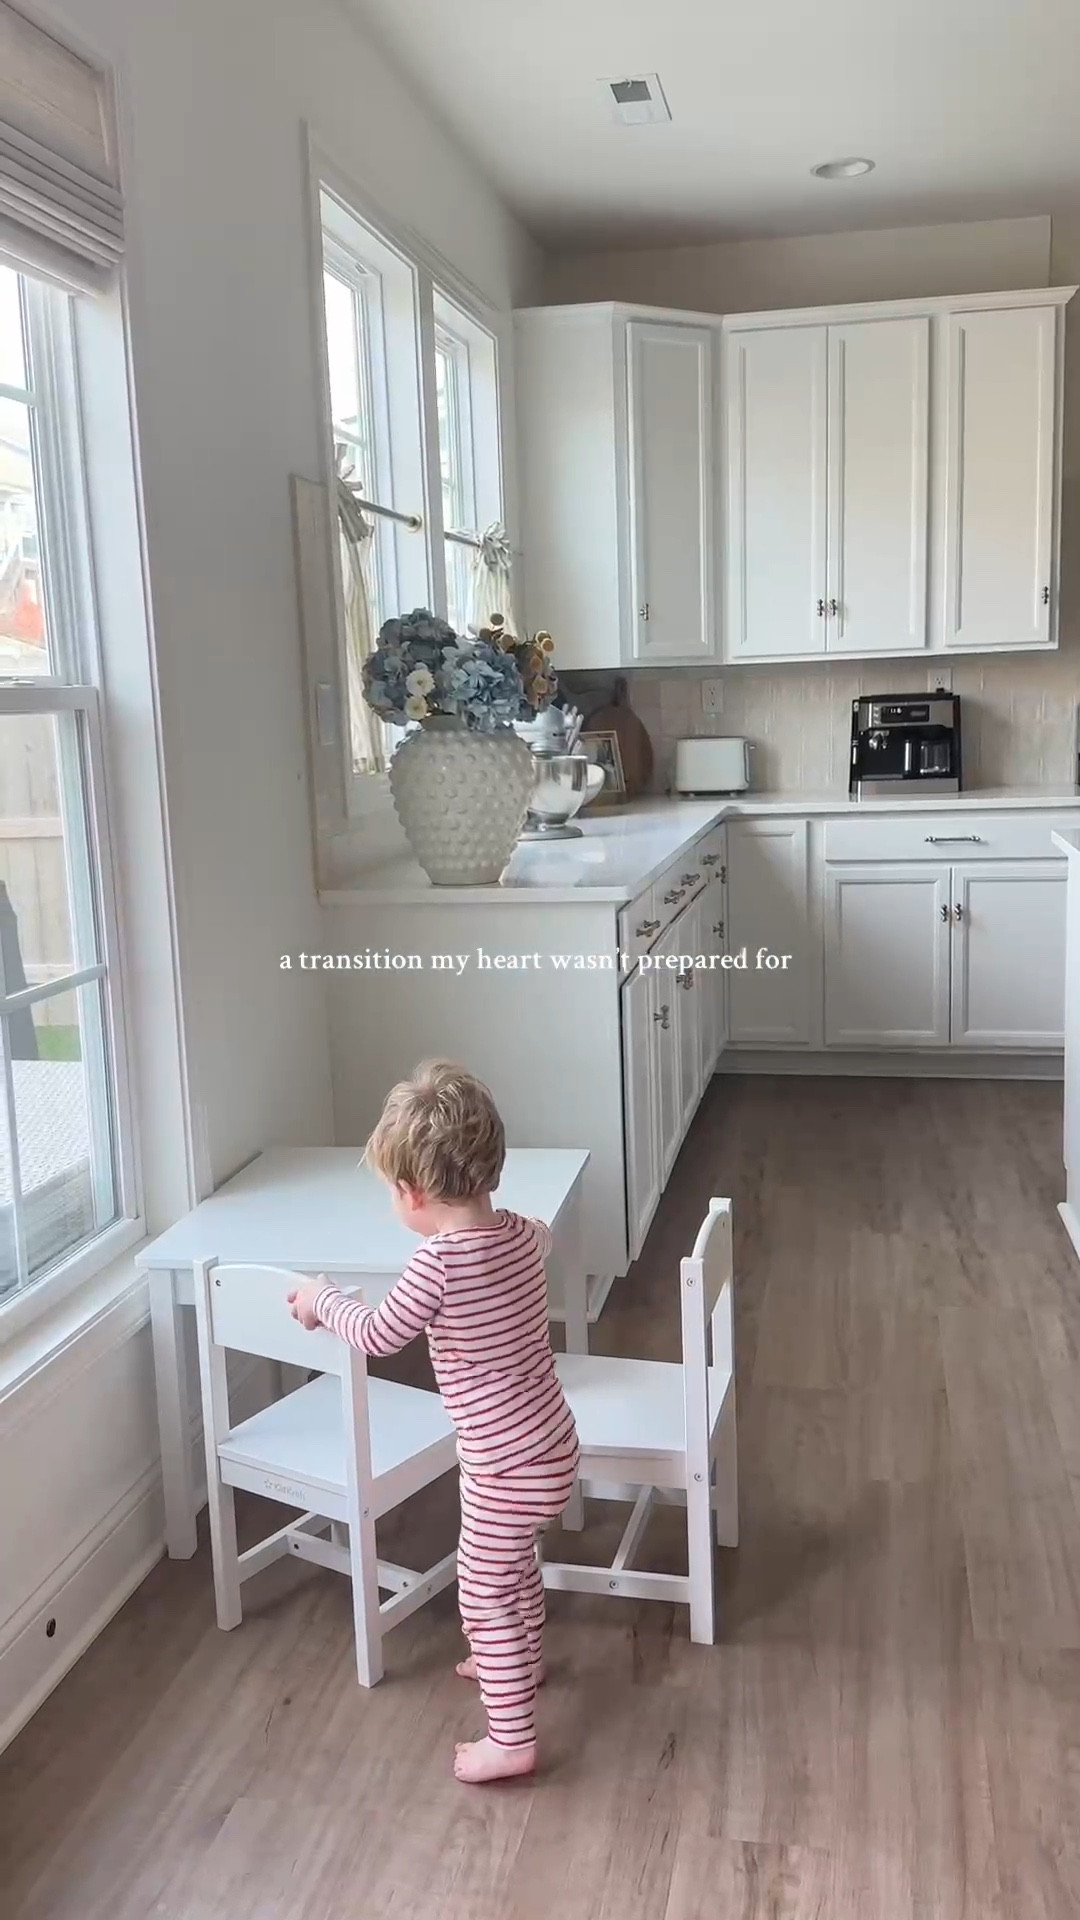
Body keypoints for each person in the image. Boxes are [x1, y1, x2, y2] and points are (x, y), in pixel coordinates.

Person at [288, 1060, 579, 1784]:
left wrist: (323, 1302)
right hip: (549, 1445)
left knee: (482, 1592)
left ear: (413, 1192)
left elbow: (381, 1333)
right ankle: (520, 1662)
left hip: (502, 1464)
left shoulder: (437, 1264)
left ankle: (510, 1738)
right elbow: (542, 1237)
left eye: (391, 1190)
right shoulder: (518, 1233)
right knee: (511, 1570)